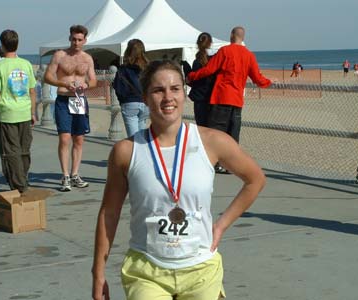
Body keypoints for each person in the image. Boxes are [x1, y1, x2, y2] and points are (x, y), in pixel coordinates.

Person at [91, 60, 266, 300]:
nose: (168, 97)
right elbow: (108, 213)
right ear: (145, 97)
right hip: (147, 269)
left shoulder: (212, 142)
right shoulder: (127, 151)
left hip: (201, 268)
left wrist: (221, 225)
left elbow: (255, 179)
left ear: (184, 93)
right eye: (158, 90)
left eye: (175, 88)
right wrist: (98, 272)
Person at [187, 26, 272, 173]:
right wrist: (269, 83)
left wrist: (192, 76)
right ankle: (231, 165)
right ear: (243, 38)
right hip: (237, 101)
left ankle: (216, 162)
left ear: (232, 35)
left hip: (221, 98)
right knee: (233, 133)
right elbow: (257, 78)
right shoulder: (249, 55)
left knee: (217, 133)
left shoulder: (225, 51)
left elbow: (209, 70)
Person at [44, 25, 97, 192]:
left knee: (79, 140)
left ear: (85, 41)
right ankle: (65, 175)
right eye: (74, 39)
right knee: (65, 138)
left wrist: (85, 85)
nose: (76, 42)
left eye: (80, 40)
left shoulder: (87, 58)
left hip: (79, 100)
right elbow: (47, 77)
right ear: (69, 38)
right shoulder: (60, 55)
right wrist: (63, 83)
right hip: (63, 100)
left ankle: (75, 174)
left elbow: (94, 80)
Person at [0, 29, 37, 193]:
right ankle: (23, 178)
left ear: (2, 46)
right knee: (24, 150)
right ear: (17, 44)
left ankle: (19, 185)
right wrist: (32, 112)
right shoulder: (26, 64)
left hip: (8, 113)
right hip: (24, 112)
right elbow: (32, 91)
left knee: (11, 151)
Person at [112, 39, 149, 137]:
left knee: (134, 139)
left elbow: (118, 88)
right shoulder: (148, 68)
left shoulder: (123, 69)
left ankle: (136, 152)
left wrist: (123, 99)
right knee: (142, 138)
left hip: (130, 102)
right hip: (146, 102)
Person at [181, 32, 216, 127]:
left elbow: (192, 81)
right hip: (212, 98)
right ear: (210, 43)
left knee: (201, 126)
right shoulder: (214, 61)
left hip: (200, 99)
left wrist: (186, 67)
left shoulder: (197, 62)